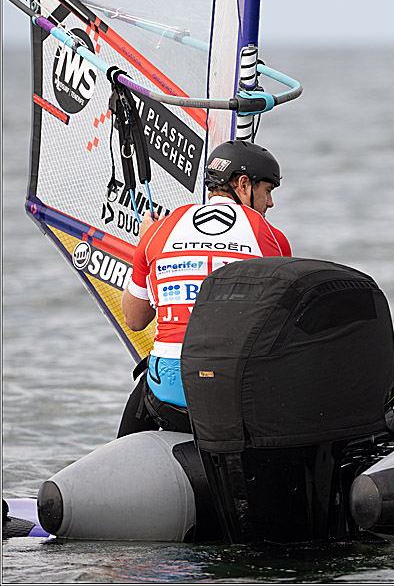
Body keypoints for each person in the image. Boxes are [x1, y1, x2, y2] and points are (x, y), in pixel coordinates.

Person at [117, 140, 291, 437]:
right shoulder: (271, 238)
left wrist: (143, 244)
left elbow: (134, 320)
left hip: (167, 392)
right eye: (268, 190)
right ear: (244, 184)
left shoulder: (158, 231)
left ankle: (123, 454)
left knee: (145, 383)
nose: (270, 203)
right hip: (233, 394)